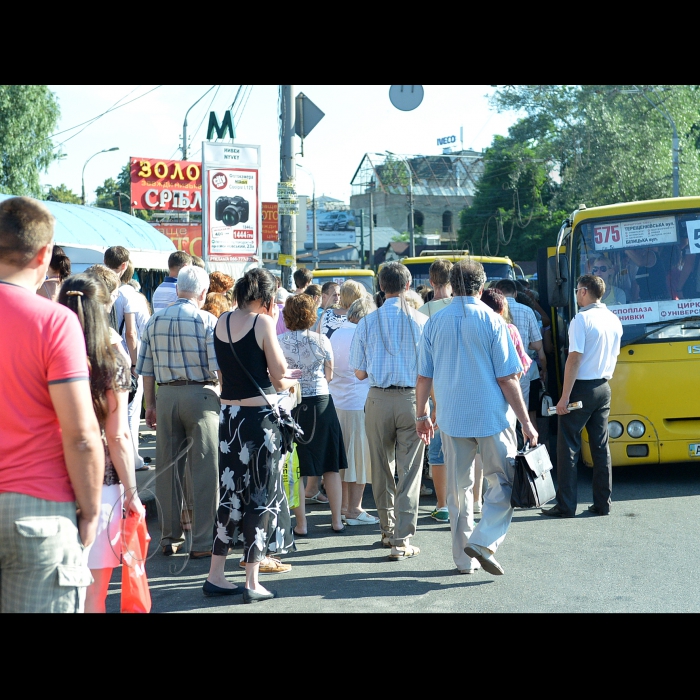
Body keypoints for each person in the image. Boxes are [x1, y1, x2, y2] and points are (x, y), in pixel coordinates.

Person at [0, 196, 103, 612]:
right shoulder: (54, 321)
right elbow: (80, 435)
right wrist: (91, 510)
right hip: (39, 509)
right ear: (44, 255)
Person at [416, 260, 538, 576]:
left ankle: (463, 560)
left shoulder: (434, 322)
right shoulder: (493, 322)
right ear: (481, 288)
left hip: (451, 418)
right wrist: (526, 421)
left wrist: (421, 414)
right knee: (507, 482)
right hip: (492, 417)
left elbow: (423, 378)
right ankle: (484, 541)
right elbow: (508, 379)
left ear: (451, 287)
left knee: (458, 492)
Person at [204, 268, 301, 603]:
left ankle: (216, 574)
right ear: (266, 297)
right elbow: (277, 378)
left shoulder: (221, 321)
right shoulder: (262, 322)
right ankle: (251, 579)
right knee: (260, 496)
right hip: (258, 421)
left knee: (230, 495)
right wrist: (292, 380)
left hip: (228, 418)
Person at [58, 274, 145, 613]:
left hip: (48, 479)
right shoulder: (110, 363)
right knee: (93, 594)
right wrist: (132, 492)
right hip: (102, 485)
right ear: (103, 309)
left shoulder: (46, 354)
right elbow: (119, 435)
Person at [135, 265, 220, 559]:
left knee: (167, 469)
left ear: (177, 288)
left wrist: (151, 404)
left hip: (166, 394)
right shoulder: (207, 320)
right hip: (201, 394)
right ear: (203, 292)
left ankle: (169, 537)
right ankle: (202, 541)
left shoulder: (155, 320)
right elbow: (216, 368)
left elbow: (145, 369)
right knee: (205, 470)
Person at [349, 262, 428, 560]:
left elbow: (358, 373)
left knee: (381, 468)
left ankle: (386, 530)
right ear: (408, 286)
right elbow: (429, 371)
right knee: (410, 472)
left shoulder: (367, 322)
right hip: (413, 399)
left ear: (381, 287)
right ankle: (402, 539)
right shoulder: (422, 321)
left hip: (378, 399)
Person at [541, 274, 622, 518]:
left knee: (568, 447)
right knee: (600, 447)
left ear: (584, 291)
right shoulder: (613, 319)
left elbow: (574, 359)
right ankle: (602, 503)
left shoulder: (581, 319)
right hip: (603, 386)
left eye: (577, 290)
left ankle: (566, 505)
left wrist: (564, 397)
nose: (576, 294)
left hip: (582, 388)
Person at [279, 294, 347, 535]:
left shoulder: (280, 341)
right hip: (321, 402)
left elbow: (277, 375)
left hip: (292, 403)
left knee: (295, 466)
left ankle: (301, 524)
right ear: (311, 314)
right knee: (331, 464)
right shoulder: (321, 340)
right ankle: (337, 520)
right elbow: (330, 375)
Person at [328, 296, 379, 526]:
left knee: (342, 459)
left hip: (336, 401)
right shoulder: (363, 333)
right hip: (358, 401)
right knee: (358, 456)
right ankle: (354, 509)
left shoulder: (337, 332)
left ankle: (343, 508)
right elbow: (365, 369)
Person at [417, 259, 453, 522]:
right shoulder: (462, 308)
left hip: (436, 388)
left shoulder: (423, 311)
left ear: (431, 281)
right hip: (462, 386)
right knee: (467, 449)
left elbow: (424, 362)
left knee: (439, 452)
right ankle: (471, 502)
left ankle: (443, 505)